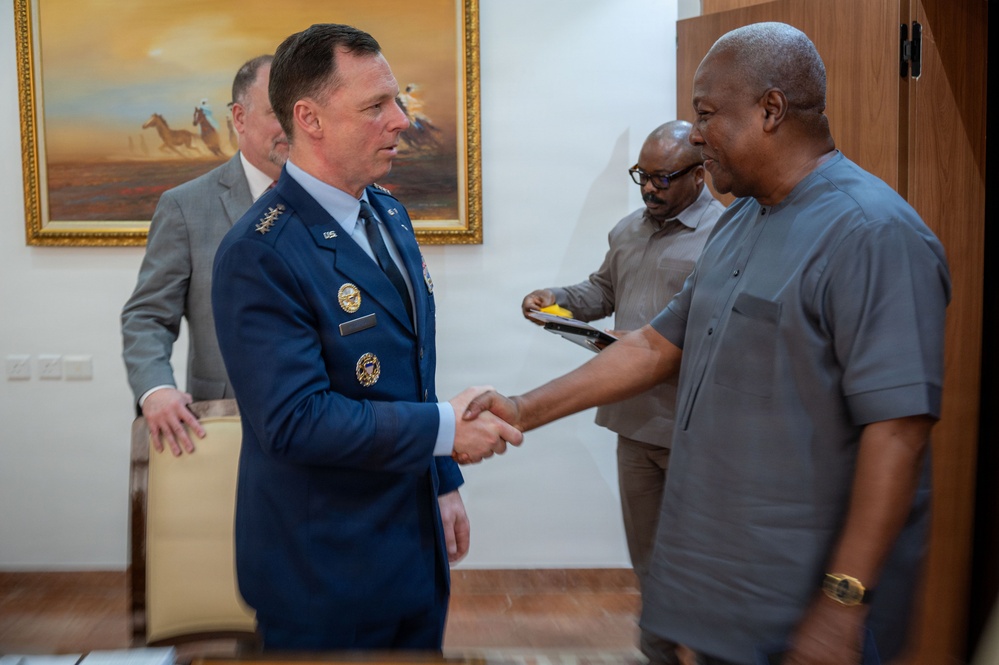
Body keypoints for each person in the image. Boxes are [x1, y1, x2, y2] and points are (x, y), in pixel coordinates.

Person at [464, 22, 950, 665]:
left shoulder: (873, 235)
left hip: (810, 603)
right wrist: (521, 409)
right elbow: (654, 346)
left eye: (707, 113)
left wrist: (843, 602)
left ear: (770, 110)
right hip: (730, 587)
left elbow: (899, 432)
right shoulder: (741, 221)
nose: (695, 134)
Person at [211, 24, 521, 650]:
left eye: (396, 100)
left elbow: (409, 371)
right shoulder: (260, 251)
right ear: (310, 119)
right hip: (324, 569)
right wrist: (444, 431)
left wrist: (442, 482)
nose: (401, 119)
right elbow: (294, 420)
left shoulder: (387, 212)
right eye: (376, 105)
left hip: (412, 544)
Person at [520, 120, 723, 664]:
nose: (650, 188)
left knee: (702, 565)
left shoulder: (726, 235)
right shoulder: (628, 231)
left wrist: (641, 344)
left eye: (663, 178)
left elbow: (720, 331)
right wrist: (555, 298)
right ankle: (658, 655)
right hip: (633, 425)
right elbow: (602, 291)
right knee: (649, 562)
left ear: (700, 173)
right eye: (642, 175)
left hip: (694, 429)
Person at [121, 55, 288, 455]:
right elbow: (147, 315)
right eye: (276, 112)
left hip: (327, 426)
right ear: (239, 118)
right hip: (225, 424)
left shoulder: (334, 200)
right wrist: (155, 389)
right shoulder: (185, 207)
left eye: (300, 111)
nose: (292, 125)